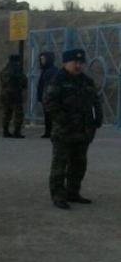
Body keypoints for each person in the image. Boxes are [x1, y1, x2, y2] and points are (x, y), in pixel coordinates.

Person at [45, 48, 103, 210]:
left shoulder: (86, 81)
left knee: (79, 164)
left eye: (80, 62)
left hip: (83, 131)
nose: (78, 65)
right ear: (65, 63)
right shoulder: (58, 80)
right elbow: (50, 104)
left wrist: (98, 119)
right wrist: (64, 120)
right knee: (60, 165)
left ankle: (73, 192)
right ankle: (58, 195)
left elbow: (95, 102)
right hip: (64, 132)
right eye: (74, 62)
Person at [0, 54, 27, 138]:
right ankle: (16, 132)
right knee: (18, 113)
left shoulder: (4, 69)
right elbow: (23, 81)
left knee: (6, 113)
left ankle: (5, 131)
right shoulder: (17, 69)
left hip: (4, 93)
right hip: (15, 93)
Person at [37, 51, 58, 139]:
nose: (42, 61)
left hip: (50, 97)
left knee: (51, 115)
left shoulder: (52, 71)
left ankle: (51, 132)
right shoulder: (45, 70)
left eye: (43, 59)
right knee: (47, 115)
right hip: (46, 97)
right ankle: (48, 132)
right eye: (41, 59)